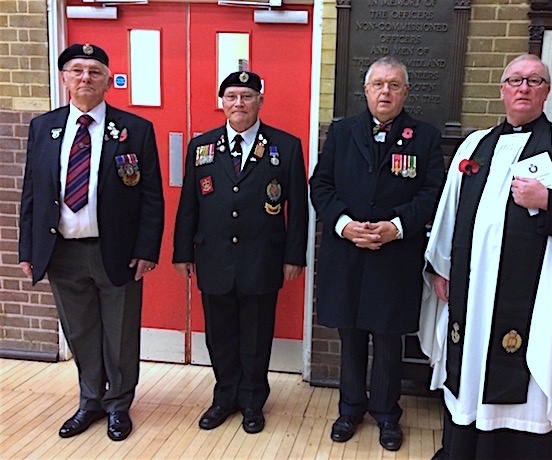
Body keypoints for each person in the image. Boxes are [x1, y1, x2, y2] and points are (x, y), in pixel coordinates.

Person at [419, 54, 552, 459]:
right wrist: (442, 268)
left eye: (534, 80)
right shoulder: (475, 145)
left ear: (547, 91)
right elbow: (449, 212)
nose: (523, 88)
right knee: (469, 371)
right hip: (472, 294)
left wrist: (550, 200)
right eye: (514, 80)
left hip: (532, 297)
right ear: (502, 91)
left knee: (523, 374)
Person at [18, 43, 164, 442]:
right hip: (62, 251)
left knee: (120, 334)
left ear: (107, 80)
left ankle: (118, 405)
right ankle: (89, 401)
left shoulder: (135, 129)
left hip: (114, 251)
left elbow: (151, 197)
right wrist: (27, 249)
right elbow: (31, 191)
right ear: (64, 78)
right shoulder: (43, 128)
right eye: (77, 70)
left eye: (95, 71)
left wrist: (147, 250)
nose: (86, 77)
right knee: (80, 332)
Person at [310, 56, 445, 452]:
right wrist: (344, 225)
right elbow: (321, 185)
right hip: (346, 252)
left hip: (395, 256)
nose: (385, 91)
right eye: (378, 84)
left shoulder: (425, 137)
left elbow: (432, 193)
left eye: (394, 85)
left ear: (405, 92)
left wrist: (396, 227)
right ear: (366, 90)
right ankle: (350, 408)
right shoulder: (342, 132)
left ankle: (387, 414)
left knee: (388, 337)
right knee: (350, 334)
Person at [173, 70, 308, 434]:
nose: (239, 103)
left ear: (260, 102)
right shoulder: (201, 148)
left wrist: (295, 256)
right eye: (231, 96)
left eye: (246, 97)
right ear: (222, 103)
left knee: (256, 334)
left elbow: (297, 208)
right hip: (214, 258)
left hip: (262, 259)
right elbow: (189, 203)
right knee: (219, 335)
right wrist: (182, 251)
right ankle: (224, 397)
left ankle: (252, 401)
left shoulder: (286, 146)